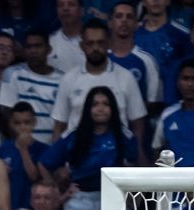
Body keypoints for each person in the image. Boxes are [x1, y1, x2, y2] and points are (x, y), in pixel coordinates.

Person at [40, 87, 138, 210]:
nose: (100, 108)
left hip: (113, 200)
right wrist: (58, 194)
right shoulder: (73, 136)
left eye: (105, 104)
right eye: (95, 104)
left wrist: (132, 194)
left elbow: (135, 165)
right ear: (87, 109)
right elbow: (43, 164)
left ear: (113, 108)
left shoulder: (124, 135)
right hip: (79, 202)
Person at [50, 20, 149, 161]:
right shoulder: (69, 79)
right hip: (78, 161)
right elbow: (59, 126)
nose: (95, 48)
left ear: (108, 43)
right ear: (82, 46)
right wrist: (57, 162)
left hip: (116, 160)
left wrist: (135, 157)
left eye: (100, 43)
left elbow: (137, 126)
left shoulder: (126, 77)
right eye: (90, 43)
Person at [0, 31, 65, 144]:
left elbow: (62, 120)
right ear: (24, 50)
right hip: (21, 146)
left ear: (48, 49)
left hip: (49, 150)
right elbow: (7, 116)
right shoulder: (12, 74)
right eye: (28, 47)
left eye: (38, 46)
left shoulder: (63, 79)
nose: (33, 51)